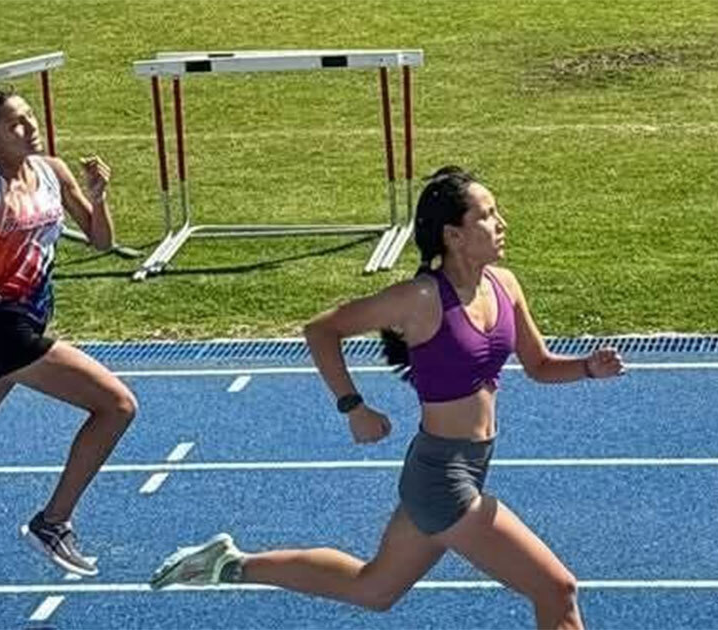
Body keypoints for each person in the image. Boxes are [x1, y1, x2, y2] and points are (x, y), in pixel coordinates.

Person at [149, 166, 623, 629]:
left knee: (372, 589)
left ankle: (229, 564)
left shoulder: (505, 285)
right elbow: (322, 329)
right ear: (454, 235)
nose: (502, 223)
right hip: (443, 480)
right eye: (488, 214)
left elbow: (539, 366)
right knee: (556, 590)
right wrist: (352, 406)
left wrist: (585, 367)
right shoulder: (418, 299)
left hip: (462, 466)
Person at [0, 88, 137, 577]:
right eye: (16, 123)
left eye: (29, 116)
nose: (30, 126)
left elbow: (103, 242)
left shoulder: (52, 171)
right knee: (118, 406)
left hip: (26, 326)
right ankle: (52, 521)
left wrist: (99, 197)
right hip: (10, 332)